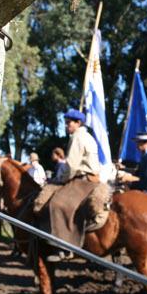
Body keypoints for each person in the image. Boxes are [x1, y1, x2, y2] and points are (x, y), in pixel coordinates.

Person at [42, 109, 102, 262]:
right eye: (66, 122)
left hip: (83, 179)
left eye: (69, 123)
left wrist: (60, 179)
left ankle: (64, 247)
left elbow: (71, 165)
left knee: (57, 203)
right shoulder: (87, 136)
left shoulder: (77, 137)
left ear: (78, 123)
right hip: (91, 178)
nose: (66, 125)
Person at [120, 132, 147, 197]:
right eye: (137, 142)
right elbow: (138, 172)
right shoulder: (145, 156)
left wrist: (130, 180)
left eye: (140, 143)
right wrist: (123, 169)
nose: (137, 145)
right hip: (144, 188)